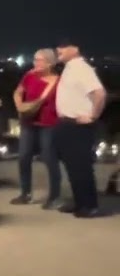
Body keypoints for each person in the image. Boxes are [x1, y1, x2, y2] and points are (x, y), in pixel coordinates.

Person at [52, 39, 105, 219]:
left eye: (63, 46)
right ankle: (80, 202)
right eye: (58, 46)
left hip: (78, 126)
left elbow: (99, 93)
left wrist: (92, 116)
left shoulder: (82, 68)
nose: (58, 49)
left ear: (75, 49)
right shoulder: (70, 68)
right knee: (73, 167)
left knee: (81, 166)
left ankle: (89, 206)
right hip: (67, 124)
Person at [11, 48, 61, 208]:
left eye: (39, 60)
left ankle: (54, 196)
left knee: (49, 158)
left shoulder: (58, 81)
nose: (35, 63)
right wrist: (20, 106)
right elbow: (18, 92)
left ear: (50, 63)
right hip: (28, 123)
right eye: (35, 59)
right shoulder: (29, 75)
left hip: (48, 124)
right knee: (24, 157)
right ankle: (25, 193)